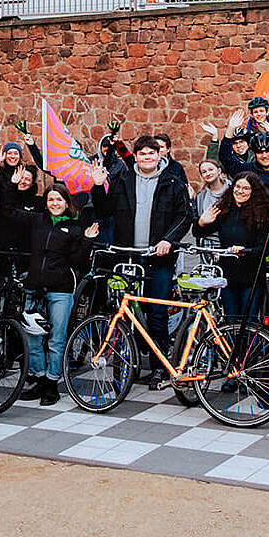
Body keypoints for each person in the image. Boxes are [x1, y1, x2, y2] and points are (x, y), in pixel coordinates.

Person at [88, 135, 193, 384]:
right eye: (142, 154)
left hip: (159, 258)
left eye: (151, 153)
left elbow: (184, 216)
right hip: (128, 257)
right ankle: (126, 365)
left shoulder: (173, 182)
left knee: (157, 313)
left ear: (159, 156)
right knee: (124, 313)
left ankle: (159, 366)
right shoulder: (123, 180)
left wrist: (169, 240)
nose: (147, 158)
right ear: (135, 157)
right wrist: (97, 186)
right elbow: (104, 211)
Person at [18, 185, 97, 405]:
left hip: (60, 290)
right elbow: (9, 212)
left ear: (66, 203)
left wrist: (87, 240)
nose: (54, 203)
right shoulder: (37, 222)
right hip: (34, 288)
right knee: (33, 337)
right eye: (51, 199)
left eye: (59, 200)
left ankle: (52, 383)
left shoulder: (74, 228)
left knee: (57, 338)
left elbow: (78, 261)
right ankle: (39, 378)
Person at [195, 171, 269, 323]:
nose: (240, 191)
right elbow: (199, 233)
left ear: (253, 191)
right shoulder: (225, 210)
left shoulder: (262, 214)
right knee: (230, 320)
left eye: (246, 188)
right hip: (228, 275)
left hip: (251, 276)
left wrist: (245, 251)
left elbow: (264, 249)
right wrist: (202, 222)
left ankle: (247, 347)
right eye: (237, 187)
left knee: (247, 320)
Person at [0, 156, 43, 334]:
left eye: (27, 179)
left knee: (19, 303)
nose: (23, 181)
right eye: (20, 177)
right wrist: (10, 185)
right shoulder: (4, 197)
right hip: (0, 256)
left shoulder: (38, 202)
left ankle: (14, 342)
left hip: (24, 260)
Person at [192, 157, 231, 222]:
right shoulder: (200, 196)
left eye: (211, 169)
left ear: (219, 171)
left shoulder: (232, 190)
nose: (208, 173)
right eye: (204, 172)